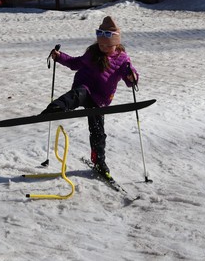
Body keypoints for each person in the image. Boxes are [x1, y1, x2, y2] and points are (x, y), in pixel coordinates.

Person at [42, 16, 139, 176]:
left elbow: (130, 79)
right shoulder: (92, 53)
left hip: (100, 98)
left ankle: (99, 161)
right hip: (85, 87)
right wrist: (60, 57)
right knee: (77, 94)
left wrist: (132, 77)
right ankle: (56, 107)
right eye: (100, 44)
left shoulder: (122, 60)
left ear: (115, 44)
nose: (103, 48)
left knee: (98, 132)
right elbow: (75, 63)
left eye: (107, 46)